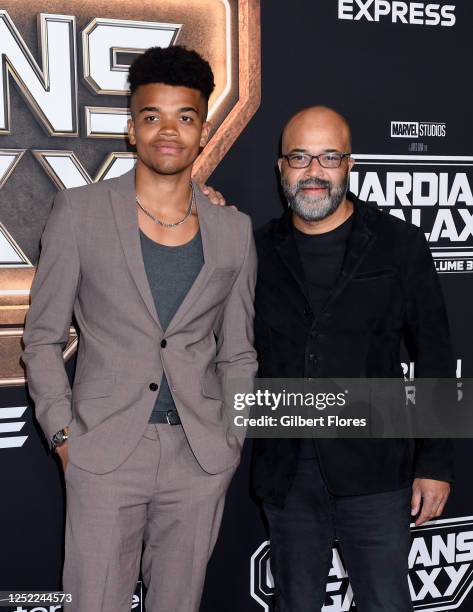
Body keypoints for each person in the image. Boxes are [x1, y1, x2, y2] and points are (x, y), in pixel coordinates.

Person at [21, 45, 257, 612]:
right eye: (152, 116)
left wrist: (232, 437)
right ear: (132, 129)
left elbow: (239, 351)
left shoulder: (234, 229)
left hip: (200, 456)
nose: (168, 131)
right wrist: (62, 436)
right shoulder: (78, 212)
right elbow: (43, 337)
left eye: (186, 117)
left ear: (203, 129)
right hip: (102, 452)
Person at [209, 105, 453, 611]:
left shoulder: (398, 245)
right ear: (280, 169)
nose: (313, 172)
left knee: (387, 602)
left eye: (328, 157)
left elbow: (434, 356)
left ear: (350, 164)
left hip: (377, 472)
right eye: (299, 157)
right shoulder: (255, 252)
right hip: (287, 472)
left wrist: (436, 462)